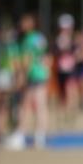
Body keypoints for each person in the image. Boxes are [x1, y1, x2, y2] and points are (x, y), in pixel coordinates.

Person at [14, 14, 51, 149]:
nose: (23, 25)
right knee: (41, 105)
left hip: (33, 75)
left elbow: (27, 59)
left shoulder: (29, 39)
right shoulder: (40, 38)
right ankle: (40, 136)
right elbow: (46, 56)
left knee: (25, 105)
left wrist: (22, 76)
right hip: (41, 74)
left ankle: (22, 134)